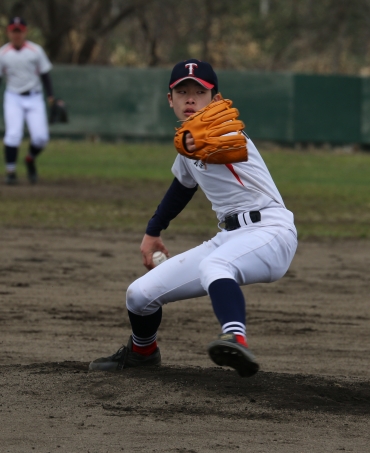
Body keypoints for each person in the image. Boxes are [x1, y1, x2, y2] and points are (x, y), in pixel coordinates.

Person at [89, 59, 297, 378]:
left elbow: (226, 147)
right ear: (169, 99)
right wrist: (153, 231)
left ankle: (235, 337)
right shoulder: (187, 143)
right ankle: (142, 353)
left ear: (216, 99)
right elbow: (182, 188)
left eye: (199, 92)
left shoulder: (226, 131)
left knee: (214, 265)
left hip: (271, 231)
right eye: (182, 92)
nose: (190, 99)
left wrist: (193, 141)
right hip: (230, 236)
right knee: (139, 295)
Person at [0, 17, 54, 185]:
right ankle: (11, 172)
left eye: (19, 31)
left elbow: (45, 74)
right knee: (13, 135)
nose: (17, 35)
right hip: (13, 97)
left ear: (25, 32)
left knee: (41, 138)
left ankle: (29, 159)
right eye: (13, 31)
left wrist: (51, 96)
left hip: (35, 97)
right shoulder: (2, 53)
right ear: (8, 32)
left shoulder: (36, 51)